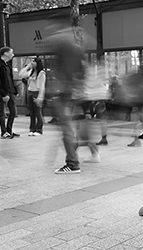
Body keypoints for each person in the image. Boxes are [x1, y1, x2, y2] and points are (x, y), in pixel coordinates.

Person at [49, 28, 87, 174]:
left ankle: (72, 163)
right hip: (74, 93)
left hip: (67, 93)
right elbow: (83, 70)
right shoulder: (77, 48)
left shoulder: (64, 45)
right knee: (71, 127)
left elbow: (63, 71)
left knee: (67, 129)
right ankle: (73, 156)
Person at [0, 46, 20, 139]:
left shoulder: (8, 65)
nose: (13, 54)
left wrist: (15, 91)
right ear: (5, 53)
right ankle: (3, 132)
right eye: (11, 52)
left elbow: (10, 80)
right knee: (2, 113)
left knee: (13, 112)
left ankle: (9, 130)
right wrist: (3, 94)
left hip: (11, 92)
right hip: (4, 93)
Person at [19, 57, 46, 136]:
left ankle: (39, 130)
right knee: (31, 112)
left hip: (37, 93)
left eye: (33, 62)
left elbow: (42, 86)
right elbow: (21, 74)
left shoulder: (41, 73)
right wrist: (27, 67)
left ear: (38, 63)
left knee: (38, 112)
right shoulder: (31, 71)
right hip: (30, 92)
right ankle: (32, 129)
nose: (32, 63)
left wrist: (40, 97)